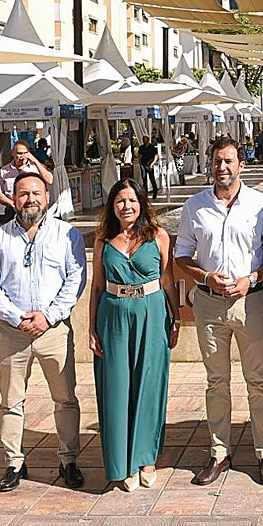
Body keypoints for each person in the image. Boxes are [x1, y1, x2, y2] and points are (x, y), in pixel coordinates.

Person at [174, 137, 263, 487]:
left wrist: (251, 279)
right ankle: (220, 451)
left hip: (247, 303)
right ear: (210, 164)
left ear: (241, 165)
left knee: (257, 380)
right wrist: (205, 276)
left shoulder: (262, 206)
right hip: (208, 302)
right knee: (216, 381)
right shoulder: (194, 207)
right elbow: (182, 256)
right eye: (217, 161)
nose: (223, 167)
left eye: (229, 161)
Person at [0, 173, 88, 492]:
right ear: (13, 198)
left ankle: (68, 459)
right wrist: (15, 316)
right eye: (23, 193)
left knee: (65, 398)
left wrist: (49, 316)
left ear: (47, 195)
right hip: (12, 333)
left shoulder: (67, 235)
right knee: (11, 400)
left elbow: (75, 280)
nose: (30, 199)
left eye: (36, 193)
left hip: (53, 330)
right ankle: (14, 462)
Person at [89, 177, 179, 491]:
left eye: (131, 201)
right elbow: (97, 286)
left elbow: (168, 280)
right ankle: (121, 463)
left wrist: (176, 318)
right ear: (112, 206)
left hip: (152, 313)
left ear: (141, 203)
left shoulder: (159, 236)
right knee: (116, 388)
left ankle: (145, 457)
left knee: (149, 385)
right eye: (119, 201)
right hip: (113, 315)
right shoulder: (102, 241)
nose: (126, 207)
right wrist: (91, 328)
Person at [0, 141, 54, 220]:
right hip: (12, 209)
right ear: (12, 153)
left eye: (25, 153)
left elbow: (50, 180)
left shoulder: (36, 168)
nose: (22, 157)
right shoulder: (4, 171)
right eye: (19, 153)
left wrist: (35, 161)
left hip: (33, 207)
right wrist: (12, 203)